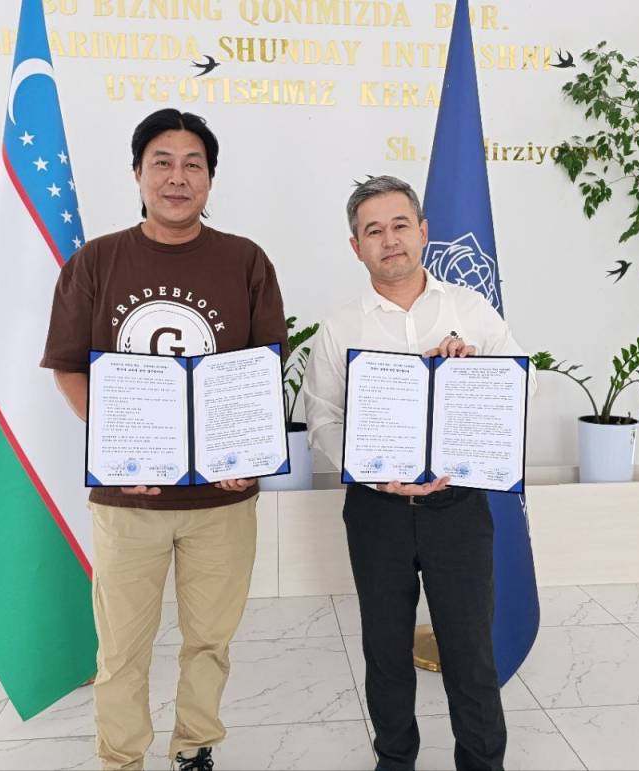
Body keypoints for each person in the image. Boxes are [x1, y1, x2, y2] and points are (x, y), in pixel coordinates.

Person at [40, 108, 288, 771]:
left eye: (193, 165)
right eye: (162, 163)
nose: (178, 178)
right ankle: (121, 757)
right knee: (122, 646)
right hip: (129, 498)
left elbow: (263, 368)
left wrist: (249, 453)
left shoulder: (246, 260)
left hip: (223, 498)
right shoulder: (95, 262)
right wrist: (121, 449)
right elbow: (68, 367)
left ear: (209, 178)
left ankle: (195, 746)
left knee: (210, 639)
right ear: (137, 173)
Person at [302, 175, 535, 771]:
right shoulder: (341, 326)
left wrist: (473, 367)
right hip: (377, 510)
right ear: (356, 246)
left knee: (470, 648)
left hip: (458, 509)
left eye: (400, 225)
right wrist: (368, 471)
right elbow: (322, 416)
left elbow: (519, 386)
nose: (390, 240)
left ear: (423, 232)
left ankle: (482, 762)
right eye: (373, 231)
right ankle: (395, 759)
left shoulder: (469, 310)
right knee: (385, 648)